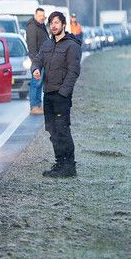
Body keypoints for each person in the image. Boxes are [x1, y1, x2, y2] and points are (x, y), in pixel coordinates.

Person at [31, 11, 82, 178]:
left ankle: (69, 165)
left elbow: (74, 72)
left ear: (63, 25)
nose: (53, 26)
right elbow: (37, 59)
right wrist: (36, 69)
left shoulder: (72, 45)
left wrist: (63, 93)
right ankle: (59, 163)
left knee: (62, 130)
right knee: (52, 130)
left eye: (56, 23)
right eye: (51, 23)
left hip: (62, 96)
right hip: (48, 94)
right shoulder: (47, 44)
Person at [25, 7, 48, 115]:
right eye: (39, 16)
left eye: (43, 16)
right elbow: (32, 46)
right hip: (37, 61)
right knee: (35, 83)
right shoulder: (32, 27)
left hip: (43, 60)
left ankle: (38, 105)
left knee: (39, 84)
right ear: (35, 15)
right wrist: (35, 63)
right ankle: (34, 106)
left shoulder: (41, 26)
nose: (41, 18)